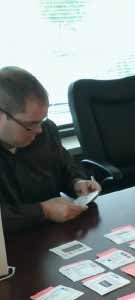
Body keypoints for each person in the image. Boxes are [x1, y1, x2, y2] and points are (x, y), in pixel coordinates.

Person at [0, 66, 101, 233]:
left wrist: (78, 183)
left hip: (54, 237)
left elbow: (67, 169)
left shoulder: (45, 133)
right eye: (31, 124)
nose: (39, 129)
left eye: (42, 120)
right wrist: (43, 211)